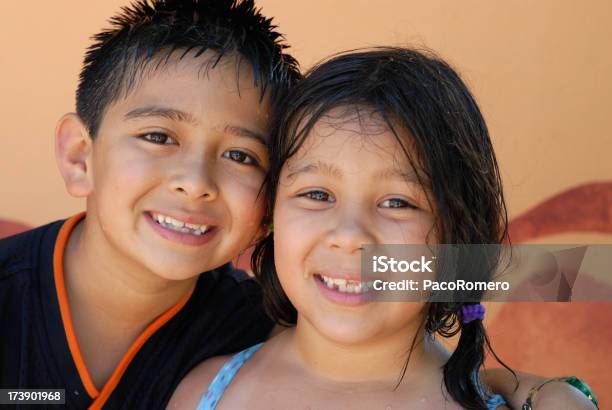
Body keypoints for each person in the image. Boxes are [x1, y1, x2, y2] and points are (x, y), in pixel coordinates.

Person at [170, 47, 598, 409]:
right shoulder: (202, 392)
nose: (351, 234)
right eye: (317, 195)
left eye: (398, 203)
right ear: (270, 212)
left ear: (458, 233)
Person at [0, 1, 300, 408]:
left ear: (269, 204)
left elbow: (406, 280)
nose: (195, 184)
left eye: (241, 156)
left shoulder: (259, 330)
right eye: (158, 137)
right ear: (79, 157)